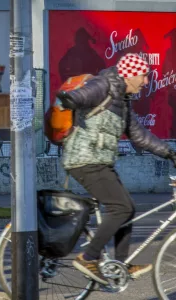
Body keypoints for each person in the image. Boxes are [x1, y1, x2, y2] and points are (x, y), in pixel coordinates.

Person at [57, 53, 176, 285]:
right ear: (130, 75)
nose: (145, 82)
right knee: (120, 207)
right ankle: (88, 257)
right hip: (84, 159)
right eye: (143, 76)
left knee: (128, 207)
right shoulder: (104, 85)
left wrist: (169, 152)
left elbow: (139, 136)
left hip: (99, 161)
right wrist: (71, 99)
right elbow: (84, 95)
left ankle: (120, 265)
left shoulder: (123, 100)